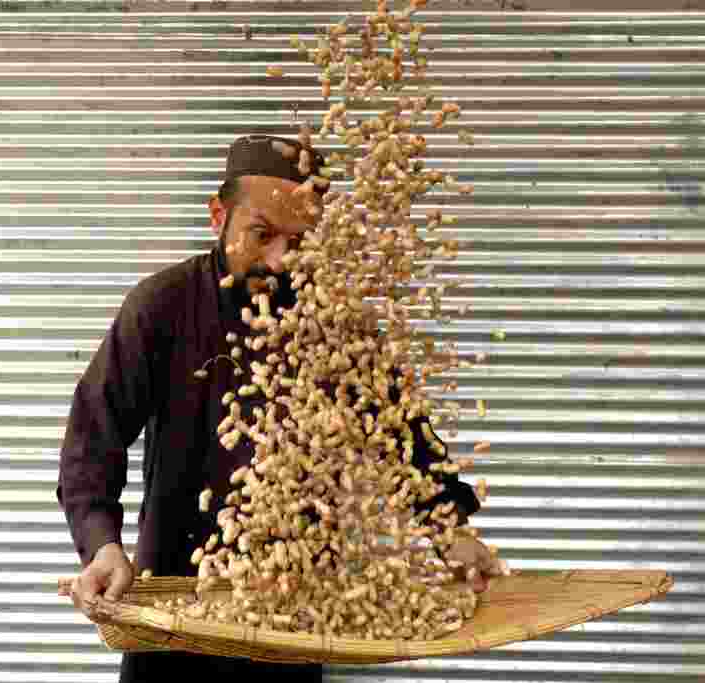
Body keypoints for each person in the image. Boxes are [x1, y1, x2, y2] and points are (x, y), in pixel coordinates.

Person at [57, 134, 500, 682]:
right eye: (261, 234)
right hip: (175, 605)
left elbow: (400, 432)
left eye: (301, 241)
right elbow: (92, 438)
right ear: (218, 214)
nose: (281, 260)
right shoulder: (161, 307)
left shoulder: (334, 320)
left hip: (293, 610)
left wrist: (448, 528)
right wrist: (101, 545)